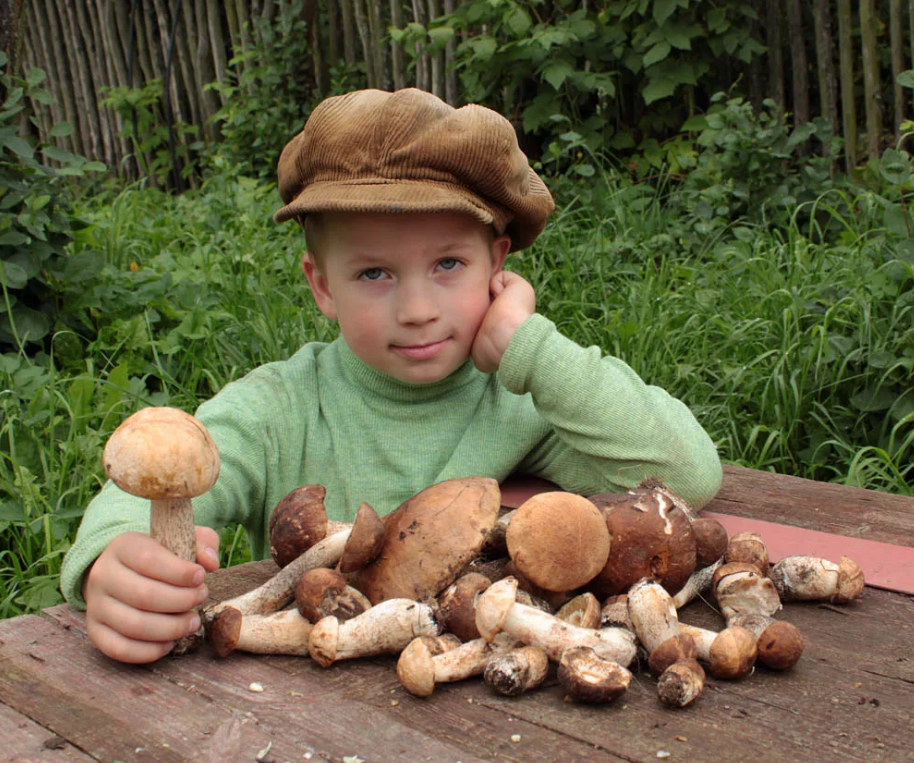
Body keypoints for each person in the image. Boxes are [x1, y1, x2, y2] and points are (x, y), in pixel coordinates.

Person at [60, 88, 723, 664]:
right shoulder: (279, 407)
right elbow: (162, 481)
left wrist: (530, 346)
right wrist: (111, 563)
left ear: (497, 265)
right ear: (322, 286)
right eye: (374, 273)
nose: (416, 310)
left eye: (448, 265)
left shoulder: (519, 400)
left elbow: (685, 471)